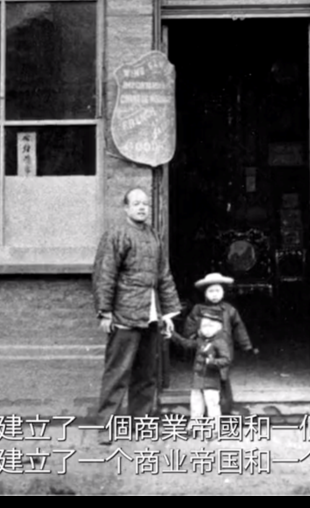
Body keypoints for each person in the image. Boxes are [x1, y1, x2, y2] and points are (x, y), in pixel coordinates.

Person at [94, 188, 181, 444]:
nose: (142, 208)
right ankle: (106, 426)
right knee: (118, 372)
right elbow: (104, 274)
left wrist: (168, 314)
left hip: (151, 315)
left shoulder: (154, 236)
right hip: (124, 315)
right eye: (136, 204)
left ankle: (140, 424)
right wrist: (105, 312)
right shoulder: (116, 235)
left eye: (145, 204)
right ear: (126, 208)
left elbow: (163, 276)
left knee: (146, 374)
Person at [182, 273, 259, 416]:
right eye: (211, 291)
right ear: (205, 293)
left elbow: (238, 327)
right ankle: (203, 412)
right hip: (205, 350)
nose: (214, 295)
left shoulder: (229, 310)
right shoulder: (198, 309)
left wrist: (246, 345)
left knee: (222, 377)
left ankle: (224, 410)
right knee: (204, 378)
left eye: (218, 291)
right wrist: (191, 337)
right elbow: (190, 326)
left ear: (223, 292)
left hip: (224, 349)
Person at [170, 307, 233, 420]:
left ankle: (214, 428)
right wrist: (173, 335)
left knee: (212, 404)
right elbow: (187, 344)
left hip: (211, 379)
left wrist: (212, 362)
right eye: (204, 326)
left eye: (211, 326)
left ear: (219, 328)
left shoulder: (220, 342)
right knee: (196, 403)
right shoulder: (200, 341)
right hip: (198, 379)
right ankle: (195, 424)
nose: (207, 330)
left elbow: (226, 359)